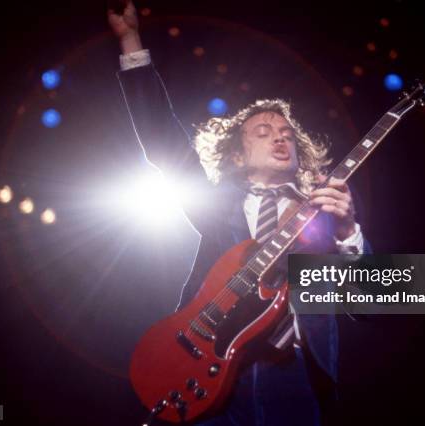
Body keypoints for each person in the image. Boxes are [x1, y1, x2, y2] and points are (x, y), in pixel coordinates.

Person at [108, 1, 370, 424]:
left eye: (287, 134)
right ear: (236, 156)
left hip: (295, 379)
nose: (280, 139)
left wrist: (349, 231)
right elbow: (162, 138)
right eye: (263, 133)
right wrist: (130, 40)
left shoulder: (324, 217)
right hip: (209, 374)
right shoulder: (218, 206)